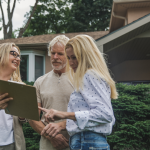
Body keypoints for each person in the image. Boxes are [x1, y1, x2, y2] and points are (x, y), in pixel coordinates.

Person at [39, 35, 118, 150]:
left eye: (74, 57)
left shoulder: (89, 75)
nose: (71, 62)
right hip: (89, 141)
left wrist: (64, 114)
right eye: (69, 57)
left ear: (86, 56)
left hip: (87, 141)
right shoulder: (92, 75)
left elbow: (105, 114)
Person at [28, 35, 74, 150]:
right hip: (47, 145)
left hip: (75, 143)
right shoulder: (40, 82)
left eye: (60, 54)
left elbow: (87, 114)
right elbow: (32, 117)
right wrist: (52, 137)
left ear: (68, 55)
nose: (55, 57)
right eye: (53, 53)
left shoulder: (80, 79)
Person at [0, 43, 26, 150]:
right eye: (13, 54)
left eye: (19, 56)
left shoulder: (20, 87)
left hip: (12, 143)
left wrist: (22, 116)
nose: (17, 58)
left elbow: (23, 119)